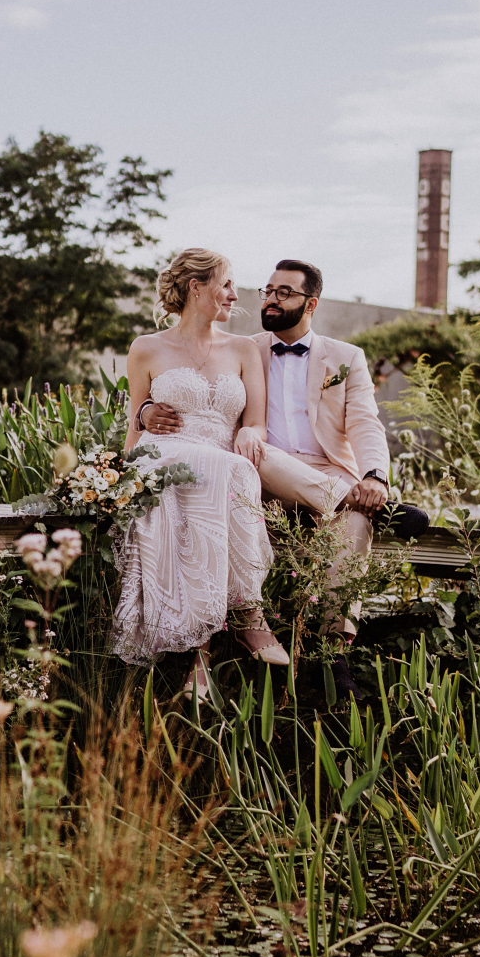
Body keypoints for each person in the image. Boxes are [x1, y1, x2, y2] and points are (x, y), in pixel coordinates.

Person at [140, 257, 395, 694]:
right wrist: (147, 411)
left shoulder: (347, 358)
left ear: (310, 303)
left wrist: (375, 476)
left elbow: (366, 424)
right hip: (263, 471)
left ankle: (331, 656)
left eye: (284, 293)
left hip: (328, 474)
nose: (271, 299)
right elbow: (187, 379)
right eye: (268, 291)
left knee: (356, 522)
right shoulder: (243, 346)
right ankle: (354, 498)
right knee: (258, 455)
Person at [113, 247, 289, 697]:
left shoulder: (245, 349)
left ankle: (204, 657)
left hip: (219, 460)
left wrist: (251, 432)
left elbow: (255, 420)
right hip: (164, 456)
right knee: (219, 473)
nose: (234, 295)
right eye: (226, 284)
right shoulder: (146, 348)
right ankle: (248, 615)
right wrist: (135, 439)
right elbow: (134, 421)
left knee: (224, 473)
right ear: (197, 287)